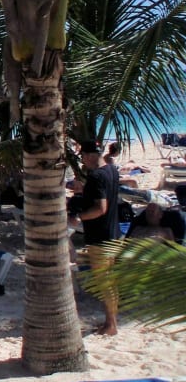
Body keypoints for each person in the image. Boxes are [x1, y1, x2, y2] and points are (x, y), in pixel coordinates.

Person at [68, 140, 121, 335]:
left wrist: (78, 217)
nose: (83, 161)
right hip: (114, 233)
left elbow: (100, 208)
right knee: (110, 281)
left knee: (104, 282)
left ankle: (111, 325)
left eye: (83, 156)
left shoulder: (97, 176)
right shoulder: (111, 170)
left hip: (101, 237)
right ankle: (111, 321)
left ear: (90, 155)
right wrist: (84, 191)